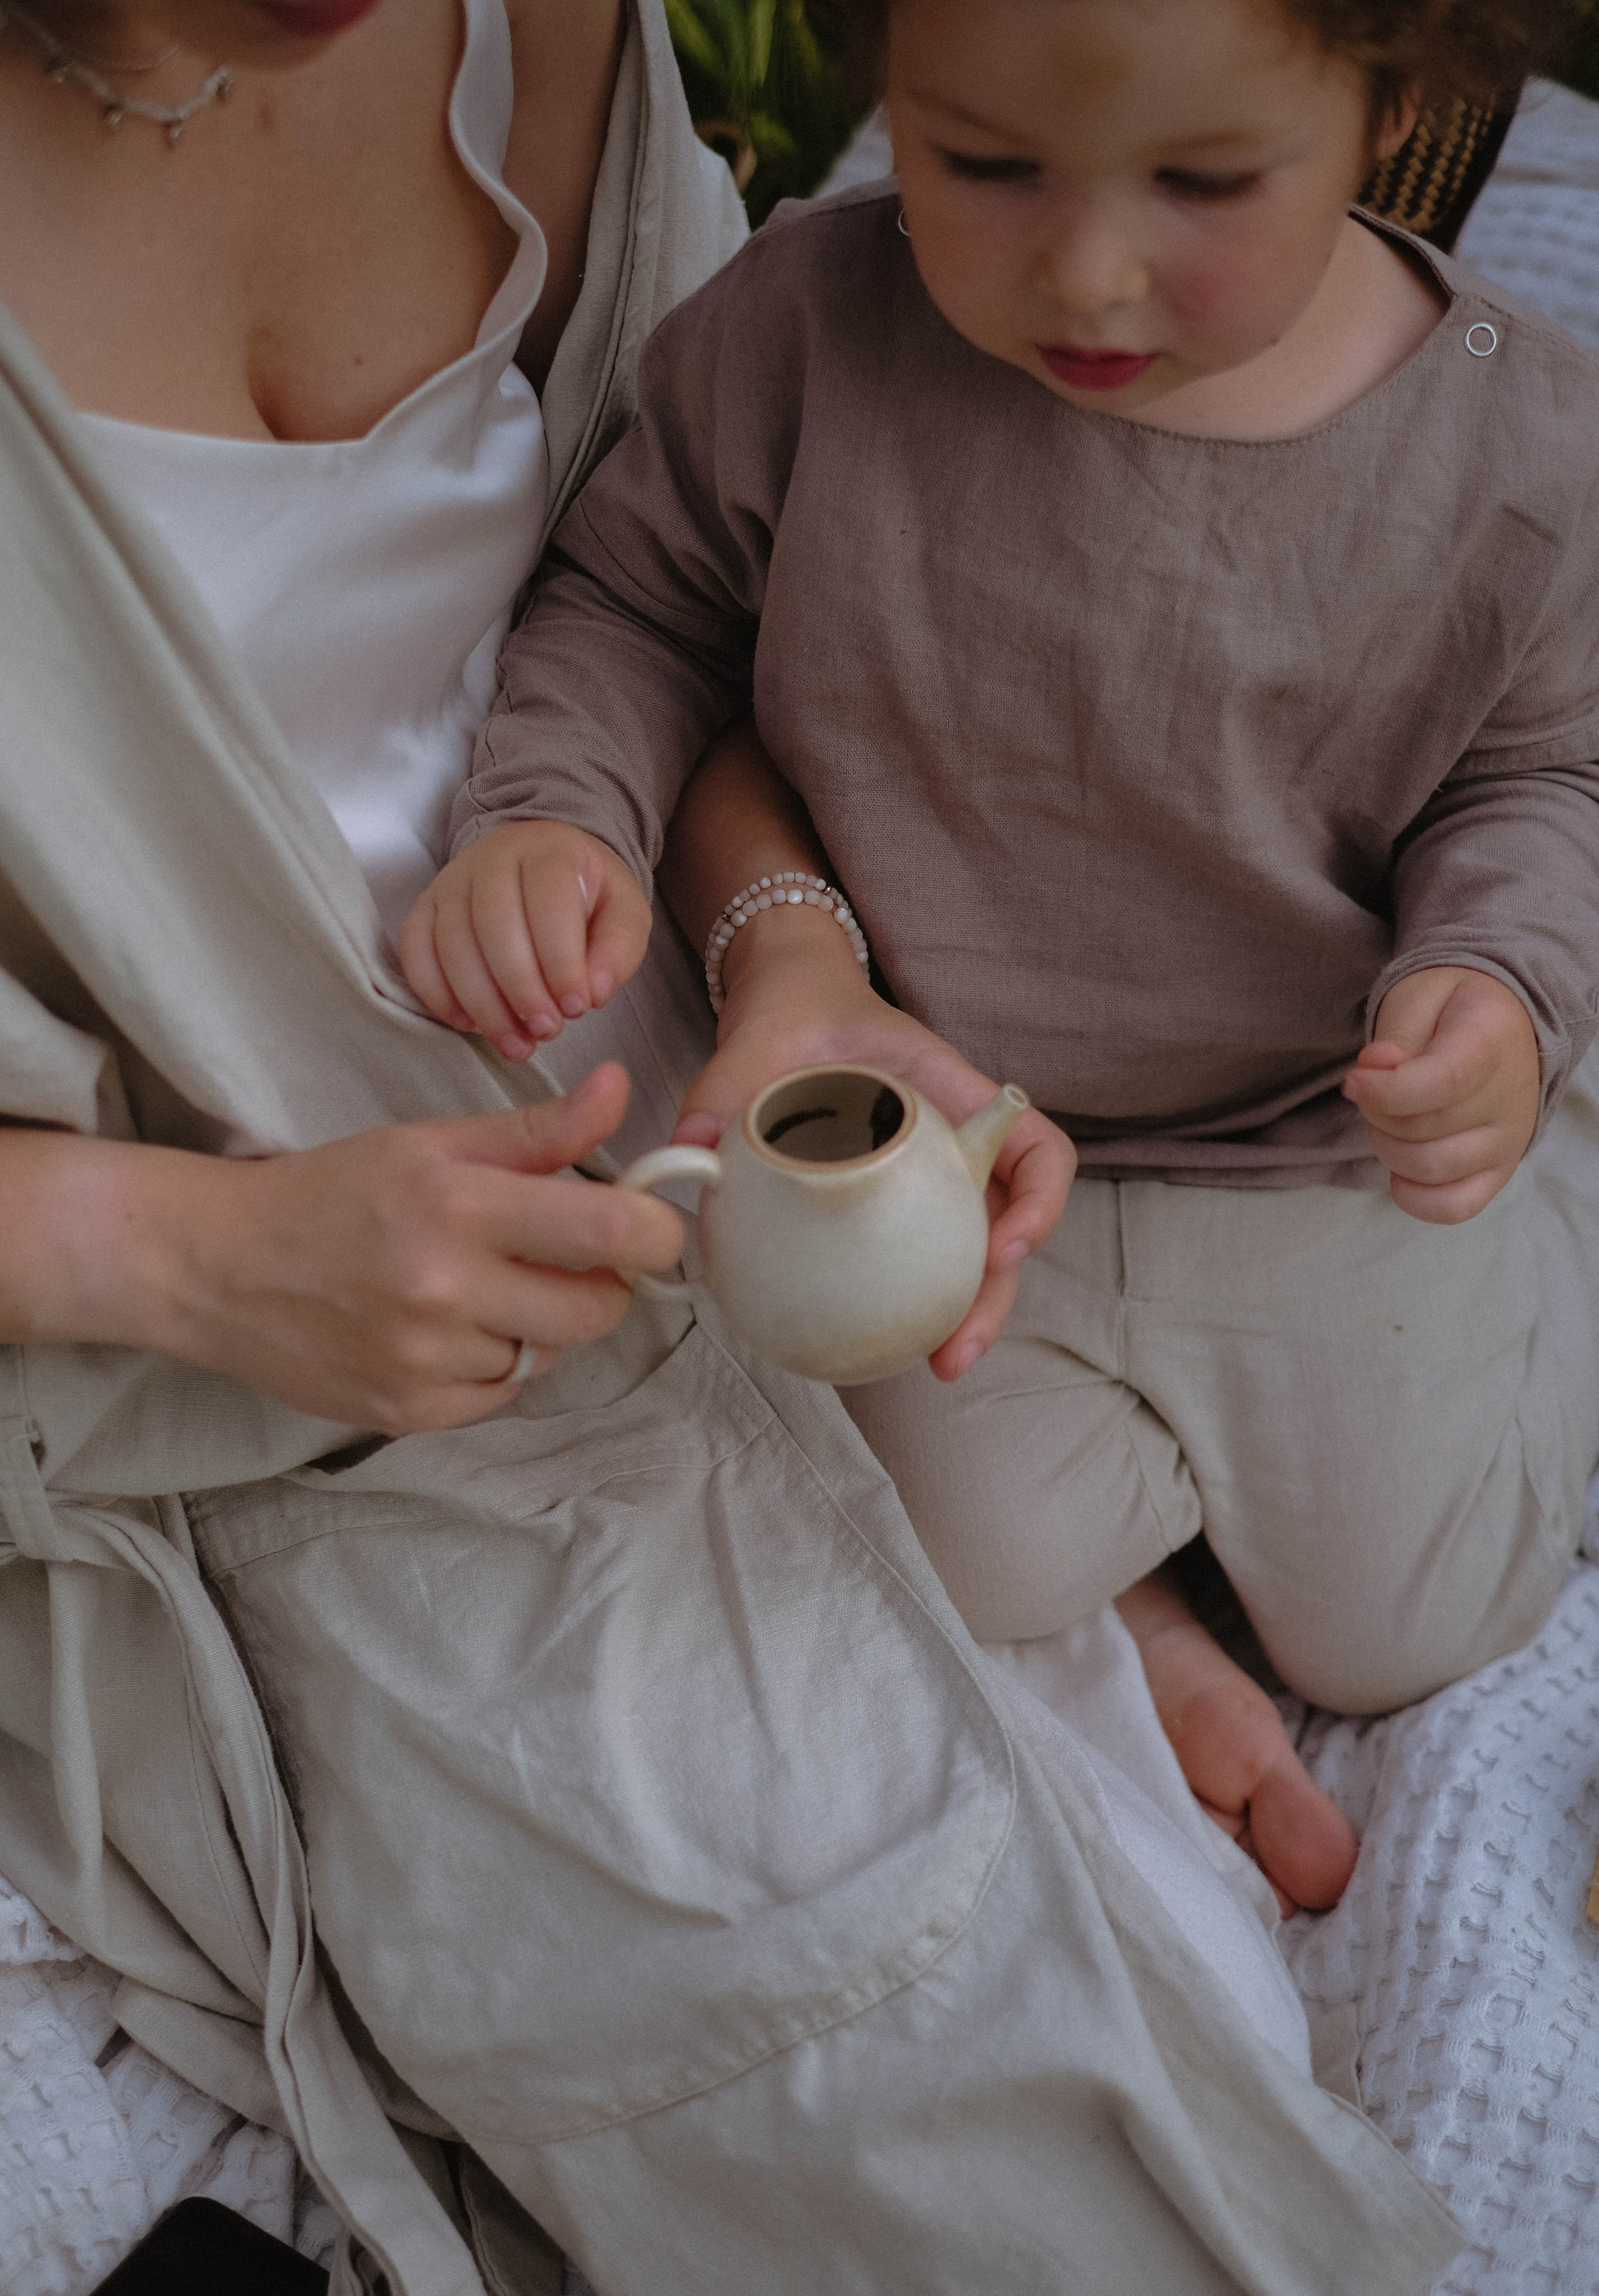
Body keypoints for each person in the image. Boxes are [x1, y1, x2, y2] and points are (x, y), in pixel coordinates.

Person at [0, 2, 1461, 2296]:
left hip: (692, 1121)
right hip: (236, 1298)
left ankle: (1048, 1601)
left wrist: (804, 973)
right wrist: (195, 1260)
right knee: (964, 2164)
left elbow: (674, 602)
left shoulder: (533, 25)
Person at [426, 0, 1599, 1919]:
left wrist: (1498, 986)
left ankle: (1562, 1178)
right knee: (957, 1555)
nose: (1086, 267)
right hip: (963, 1132)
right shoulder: (803, 337)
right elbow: (640, 601)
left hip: (1325, 1134)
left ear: (1396, 112)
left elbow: (1549, 764)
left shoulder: (1523, 443)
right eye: (978, 164)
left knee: (1418, 1616)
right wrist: (557, 805)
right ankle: (1151, 1602)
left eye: (1206, 182)